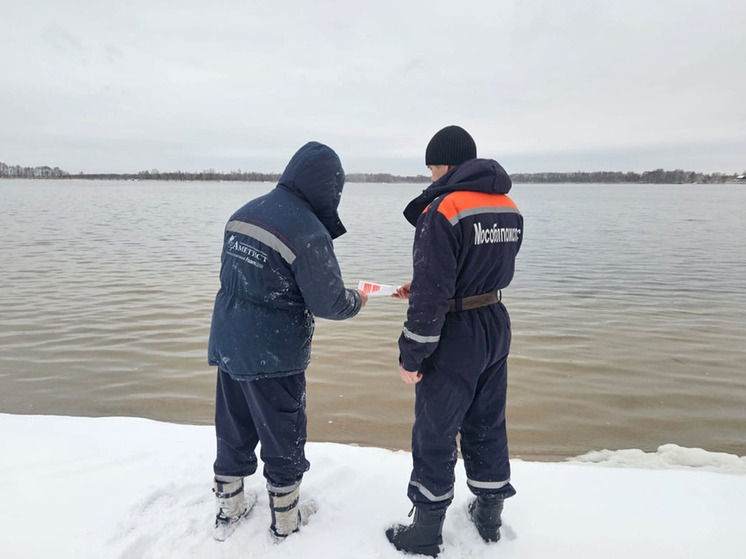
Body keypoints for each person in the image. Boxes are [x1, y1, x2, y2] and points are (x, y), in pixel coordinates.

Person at [207, 141, 367, 541]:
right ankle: (286, 520)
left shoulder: (243, 213)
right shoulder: (309, 232)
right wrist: (357, 299)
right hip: (273, 353)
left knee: (233, 424)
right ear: (327, 188)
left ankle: (230, 506)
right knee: (283, 432)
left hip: (229, 341)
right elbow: (329, 303)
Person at [386, 125, 523, 556]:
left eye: (432, 168)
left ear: (447, 165)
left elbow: (431, 297)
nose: (430, 177)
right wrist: (440, 286)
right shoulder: (508, 206)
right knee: (487, 421)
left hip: (455, 332)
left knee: (436, 430)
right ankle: (489, 514)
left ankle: (425, 531)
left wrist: (411, 355)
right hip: (495, 323)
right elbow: (480, 269)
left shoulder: (443, 210)